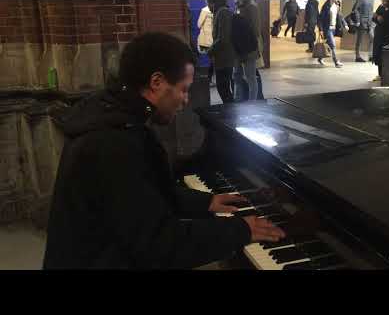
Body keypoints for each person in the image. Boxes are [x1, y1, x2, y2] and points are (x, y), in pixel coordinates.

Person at [42, 32, 285, 269]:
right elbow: (160, 245)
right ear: (156, 83)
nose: (186, 100)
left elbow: (144, 196)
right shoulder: (113, 144)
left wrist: (206, 202)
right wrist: (241, 230)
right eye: (184, 89)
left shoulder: (112, 117)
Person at [208, 0, 237, 103]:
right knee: (223, 89)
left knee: (223, 88)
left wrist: (210, 50)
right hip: (222, 57)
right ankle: (230, 112)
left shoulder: (223, 12)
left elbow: (223, 37)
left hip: (225, 58)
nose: (208, 5)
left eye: (208, 2)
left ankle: (231, 114)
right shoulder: (220, 12)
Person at [236, 0, 262, 101]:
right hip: (239, 48)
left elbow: (256, 31)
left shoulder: (252, 8)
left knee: (251, 78)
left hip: (249, 48)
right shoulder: (240, 7)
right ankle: (240, 101)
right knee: (238, 77)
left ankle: (253, 104)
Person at [371, 0, 389, 82]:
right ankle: (380, 74)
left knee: (384, 54)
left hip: (386, 34)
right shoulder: (381, 6)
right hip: (379, 33)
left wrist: (383, 20)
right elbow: (373, 17)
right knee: (378, 54)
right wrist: (377, 18)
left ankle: (385, 74)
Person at [318, 0, 345, 68]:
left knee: (329, 45)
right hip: (327, 29)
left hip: (334, 29)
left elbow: (340, 16)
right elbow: (320, 19)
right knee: (333, 45)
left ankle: (320, 58)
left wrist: (345, 24)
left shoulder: (337, 5)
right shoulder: (326, 6)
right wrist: (321, 30)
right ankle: (336, 62)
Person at [197, 0, 215, 86]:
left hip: (206, 39)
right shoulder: (216, 10)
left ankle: (209, 79)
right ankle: (210, 79)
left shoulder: (204, 10)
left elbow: (199, 24)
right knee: (212, 59)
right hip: (213, 38)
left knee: (211, 60)